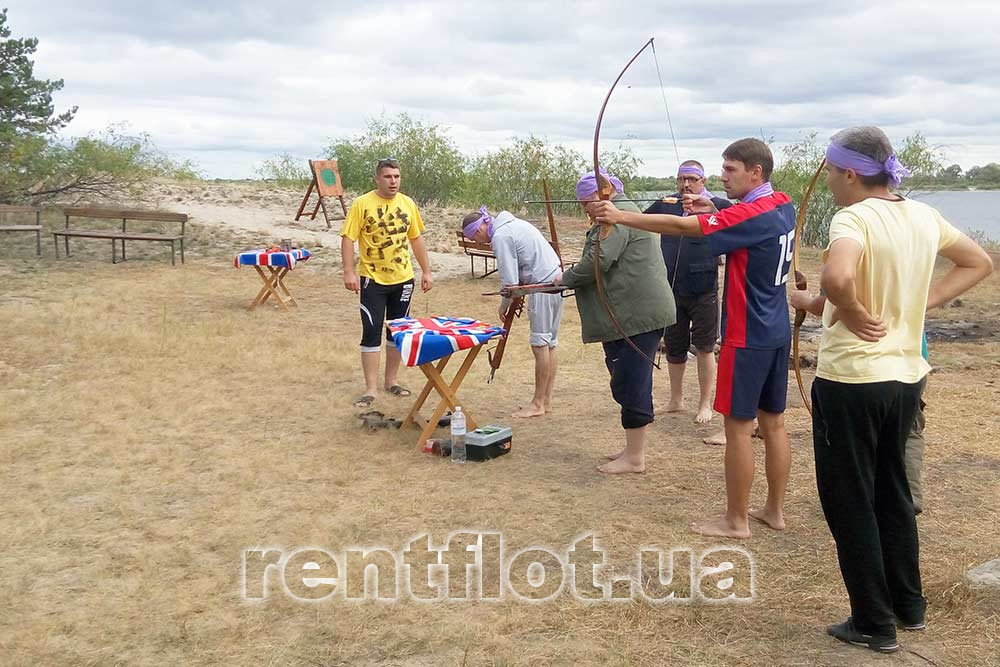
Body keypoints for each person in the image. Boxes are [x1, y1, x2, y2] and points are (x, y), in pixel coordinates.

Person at [802, 126, 991, 653]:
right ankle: (908, 606)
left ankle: (872, 622)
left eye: (832, 173)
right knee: (893, 491)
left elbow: (839, 278)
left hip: (853, 380)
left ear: (849, 173)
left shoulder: (854, 217)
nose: (832, 185)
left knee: (850, 499)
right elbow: (980, 262)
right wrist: (925, 301)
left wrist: (856, 313)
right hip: (906, 376)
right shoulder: (923, 215)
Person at [591, 138, 794, 538]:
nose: (722, 176)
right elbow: (746, 218)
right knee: (774, 424)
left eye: (731, 169)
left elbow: (684, 226)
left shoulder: (749, 213)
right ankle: (774, 511)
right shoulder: (781, 203)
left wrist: (621, 216)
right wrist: (718, 206)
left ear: (756, 172)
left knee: (738, 428)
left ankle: (736, 520)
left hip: (746, 334)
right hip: (776, 330)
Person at [555, 170, 675, 474]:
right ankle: (631, 449)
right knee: (625, 378)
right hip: (631, 313)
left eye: (588, 202)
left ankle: (635, 458)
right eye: (583, 204)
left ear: (606, 191)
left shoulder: (618, 217)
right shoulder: (619, 215)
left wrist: (563, 278)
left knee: (632, 380)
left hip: (637, 315)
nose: (586, 210)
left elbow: (599, 261)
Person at [341, 158, 433, 408]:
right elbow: (348, 238)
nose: (393, 181)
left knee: (397, 332)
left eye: (396, 176)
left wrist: (426, 271)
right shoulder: (362, 204)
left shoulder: (407, 204)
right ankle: (370, 389)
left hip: (403, 279)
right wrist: (349, 272)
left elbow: (416, 239)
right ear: (377, 179)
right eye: (388, 176)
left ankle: (391, 380)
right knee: (371, 332)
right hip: (373, 279)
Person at [645, 160, 732, 424]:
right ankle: (675, 399)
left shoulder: (719, 206)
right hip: (671, 287)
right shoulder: (667, 202)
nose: (686, 184)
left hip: (703, 289)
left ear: (703, 182)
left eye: (692, 179)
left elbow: (738, 223)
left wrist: (710, 210)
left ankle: (705, 404)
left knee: (705, 347)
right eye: (682, 178)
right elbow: (640, 220)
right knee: (674, 347)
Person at [462, 206, 563, 417]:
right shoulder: (515, 225)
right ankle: (546, 400)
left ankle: (538, 403)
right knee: (549, 343)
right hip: (555, 279)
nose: (479, 242)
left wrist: (504, 304)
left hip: (542, 285)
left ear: (480, 228)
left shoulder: (501, 235)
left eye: (476, 237)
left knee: (541, 344)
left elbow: (510, 282)